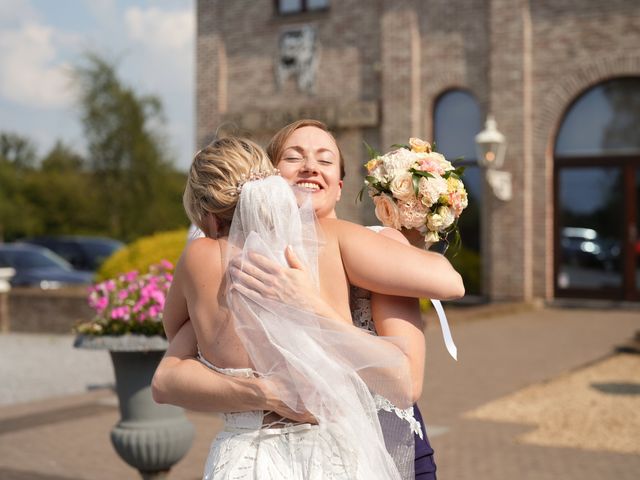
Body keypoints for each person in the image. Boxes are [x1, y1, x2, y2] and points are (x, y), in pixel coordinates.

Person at [153, 123, 462, 478]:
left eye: (324, 159)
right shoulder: (334, 240)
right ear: (270, 178)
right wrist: (267, 391)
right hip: (336, 450)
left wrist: (304, 303)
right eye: (293, 156)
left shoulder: (200, 259)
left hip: (249, 457)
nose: (310, 167)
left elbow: (173, 332)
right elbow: (168, 377)